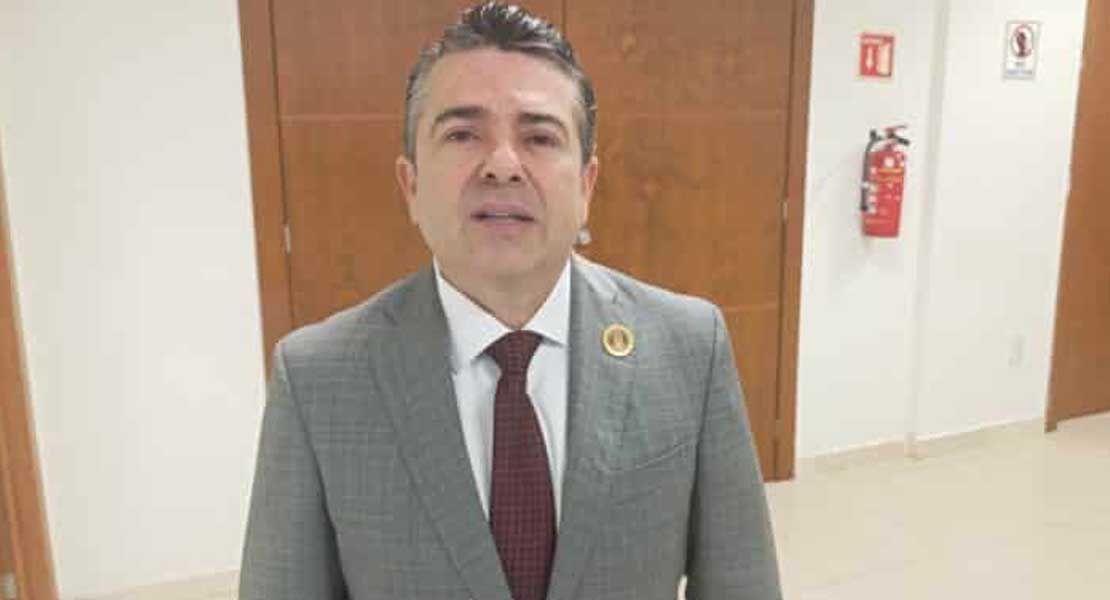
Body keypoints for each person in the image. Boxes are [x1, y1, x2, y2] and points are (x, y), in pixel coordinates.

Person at [239, 3, 781, 599]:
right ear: (411, 185)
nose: (502, 165)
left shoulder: (689, 347)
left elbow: (742, 584)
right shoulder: (317, 378)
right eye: (462, 134)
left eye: (539, 137)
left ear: (586, 184)